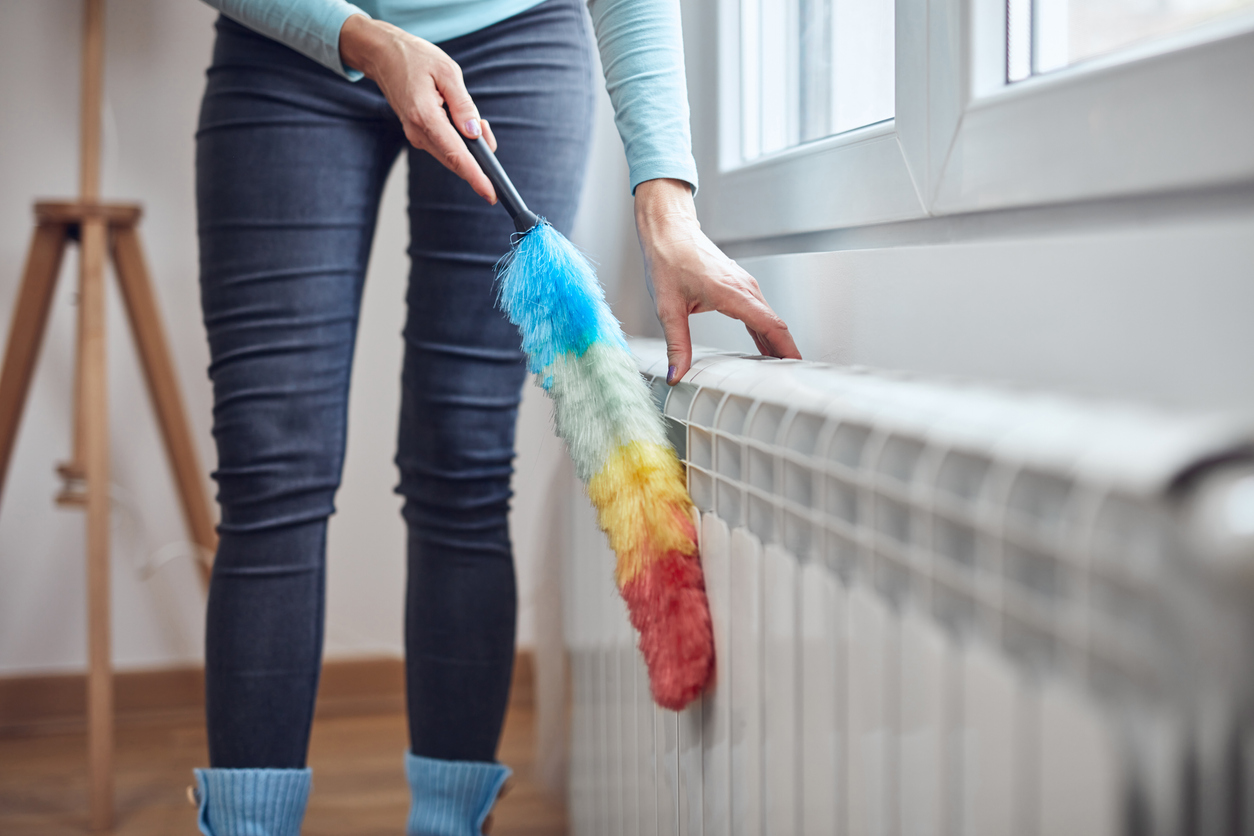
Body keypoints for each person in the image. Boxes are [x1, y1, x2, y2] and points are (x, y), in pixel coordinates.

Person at [191, 0, 799, 833]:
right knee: (271, 471)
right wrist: (362, 37)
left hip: (511, 42)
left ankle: (448, 822)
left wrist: (668, 206)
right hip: (285, 52)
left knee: (463, 463)